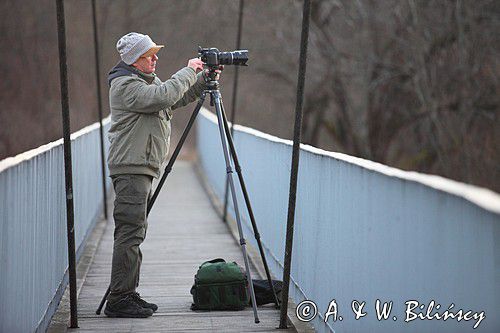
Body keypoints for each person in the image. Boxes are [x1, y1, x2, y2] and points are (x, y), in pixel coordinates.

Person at [105, 32, 215, 318]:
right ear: (134, 60)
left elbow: (173, 98)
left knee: (136, 230)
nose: (155, 58)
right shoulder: (125, 85)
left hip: (140, 166)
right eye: (149, 55)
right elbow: (164, 95)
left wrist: (202, 79)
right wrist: (189, 70)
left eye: (155, 53)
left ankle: (128, 292)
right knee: (130, 232)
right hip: (131, 167)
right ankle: (119, 298)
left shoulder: (144, 84)